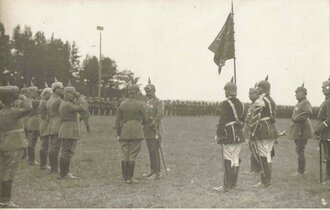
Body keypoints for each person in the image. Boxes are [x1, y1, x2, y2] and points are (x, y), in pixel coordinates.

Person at [0, 85, 32, 207]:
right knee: (9, 172)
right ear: (13, 98)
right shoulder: (13, 112)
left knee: (2, 170)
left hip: (3, 143)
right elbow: (28, 108)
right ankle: (5, 199)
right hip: (14, 144)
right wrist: (23, 97)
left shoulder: (2, 112)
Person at [213, 78, 245, 192]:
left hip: (228, 134)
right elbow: (242, 121)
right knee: (235, 159)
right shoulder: (241, 103)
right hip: (239, 134)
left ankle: (226, 185)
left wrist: (219, 134)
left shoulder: (226, 103)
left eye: (225, 90)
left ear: (227, 91)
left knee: (227, 159)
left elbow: (222, 120)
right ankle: (233, 184)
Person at [250, 76, 278, 188]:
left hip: (262, 130)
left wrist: (252, 132)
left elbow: (255, 118)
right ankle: (267, 180)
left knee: (263, 155)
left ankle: (265, 181)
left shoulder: (260, 100)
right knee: (267, 155)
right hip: (271, 129)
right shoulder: (271, 100)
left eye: (259, 87)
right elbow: (274, 116)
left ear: (263, 89)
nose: (257, 89)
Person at [115, 85, 147, 183]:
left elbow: (117, 121)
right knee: (133, 154)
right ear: (136, 93)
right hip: (136, 130)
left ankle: (125, 177)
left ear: (128, 93)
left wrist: (119, 133)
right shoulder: (140, 104)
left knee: (125, 153)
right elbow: (145, 119)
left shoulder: (122, 104)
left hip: (125, 130)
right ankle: (130, 177)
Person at [58, 86, 87, 179]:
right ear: (67, 94)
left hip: (67, 128)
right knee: (67, 152)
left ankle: (64, 173)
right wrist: (80, 98)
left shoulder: (65, 103)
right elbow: (83, 108)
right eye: (72, 94)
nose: (74, 96)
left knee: (66, 152)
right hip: (69, 129)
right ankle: (64, 174)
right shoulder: (67, 104)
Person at [288, 83, 313, 176]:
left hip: (302, 130)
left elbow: (308, 112)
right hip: (298, 129)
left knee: (300, 149)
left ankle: (301, 171)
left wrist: (296, 118)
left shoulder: (305, 102)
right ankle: (301, 170)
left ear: (303, 93)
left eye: (298, 92)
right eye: (295, 93)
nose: (296, 94)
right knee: (299, 149)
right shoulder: (299, 103)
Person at [142, 81, 164, 180]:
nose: (147, 93)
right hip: (146, 129)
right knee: (150, 150)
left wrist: (154, 124)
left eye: (149, 91)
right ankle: (152, 170)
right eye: (146, 92)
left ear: (154, 91)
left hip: (155, 129)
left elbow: (160, 114)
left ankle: (157, 172)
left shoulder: (159, 101)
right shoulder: (146, 101)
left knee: (155, 150)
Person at [47, 80, 64, 174]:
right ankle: (54, 168)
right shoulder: (58, 100)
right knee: (55, 147)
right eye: (61, 88)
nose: (62, 90)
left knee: (53, 146)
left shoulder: (50, 99)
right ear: (56, 89)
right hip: (57, 124)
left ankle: (53, 167)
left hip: (51, 123)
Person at [315, 79, 330, 183]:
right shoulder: (326, 100)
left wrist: (319, 129)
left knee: (328, 156)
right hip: (325, 132)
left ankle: (328, 178)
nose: (322, 89)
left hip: (328, 132)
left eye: (324, 87)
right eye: (322, 87)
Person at [243, 86, 261, 174]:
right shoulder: (252, 104)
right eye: (249, 94)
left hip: (255, 130)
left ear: (256, 94)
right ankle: (253, 169)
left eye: (251, 94)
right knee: (252, 149)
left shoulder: (258, 104)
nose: (249, 95)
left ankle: (257, 169)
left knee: (255, 150)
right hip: (249, 129)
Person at [26, 85, 41, 166]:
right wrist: (41, 96)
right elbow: (35, 103)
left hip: (37, 123)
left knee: (33, 142)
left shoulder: (34, 99)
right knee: (31, 142)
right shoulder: (29, 100)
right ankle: (31, 160)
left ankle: (31, 160)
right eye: (35, 92)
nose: (37, 93)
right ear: (31, 92)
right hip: (32, 123)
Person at [39, 87, 53, 170]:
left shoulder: (43, 101)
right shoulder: (44, 102)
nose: (50, 95)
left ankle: (43, 164)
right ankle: (43, 164)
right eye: (49, 94)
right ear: (45, 94)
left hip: (44, 123)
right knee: (45, 144)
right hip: (45, 123)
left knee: (45, 144)